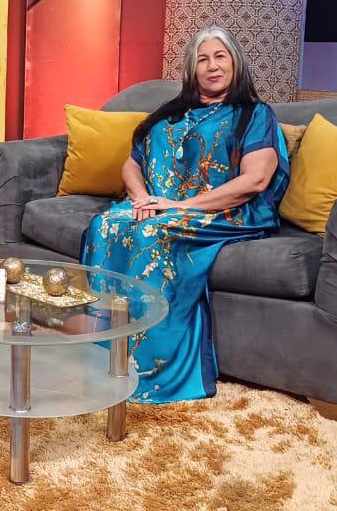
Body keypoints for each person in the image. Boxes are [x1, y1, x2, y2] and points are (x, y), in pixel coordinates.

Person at [82, 26, 289, 404]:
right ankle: (101, 352)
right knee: (106, 224)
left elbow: (256, 180)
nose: (212, 66)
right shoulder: (170, 115)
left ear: (235, 63)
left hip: (227, 210)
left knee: (151, 233)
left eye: (220, 56)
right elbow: (132, 164)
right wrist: (142, 199)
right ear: (192, 70)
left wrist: (177, 207)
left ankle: (146, 368)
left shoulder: (254, 114)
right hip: (162, 205)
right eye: (202, 59)